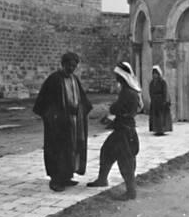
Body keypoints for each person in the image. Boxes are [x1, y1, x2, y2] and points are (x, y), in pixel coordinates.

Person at [33, 52, 92, 192]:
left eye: (74, 66)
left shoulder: (74, 79)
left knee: (70, 150)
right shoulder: (54, 79)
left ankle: (66, 176)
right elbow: (43, 102)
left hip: (73, 122)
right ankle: (55, 179)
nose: (71, 68)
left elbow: (83, 100)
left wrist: (81, 110)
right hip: (58, 124)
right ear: (63, 64)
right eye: (69, 65)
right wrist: (51, 117)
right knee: (58, 150)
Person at [87, 62, 142, 200]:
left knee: (126, 161)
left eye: (117, 75)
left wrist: (109, 110)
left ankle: (131, 192)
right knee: (106, 151)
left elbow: (117, 108)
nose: (115, 77)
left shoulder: (128, 92)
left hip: (125, 131)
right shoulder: (128, 90)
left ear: (123, 76)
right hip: (122, 128)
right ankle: (102, 180)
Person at [149, 65, 173, 136]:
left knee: (161, 116)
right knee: (155, 116)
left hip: (161, 100)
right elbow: (150, 91)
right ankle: (156, 129)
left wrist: (164, 101)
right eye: (153, 74)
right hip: (154, 101)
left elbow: (165, 91)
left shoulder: (163, 82)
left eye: (156, 73)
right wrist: (153, 99)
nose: (154, 75)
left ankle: (162, 130)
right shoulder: (152, 82)